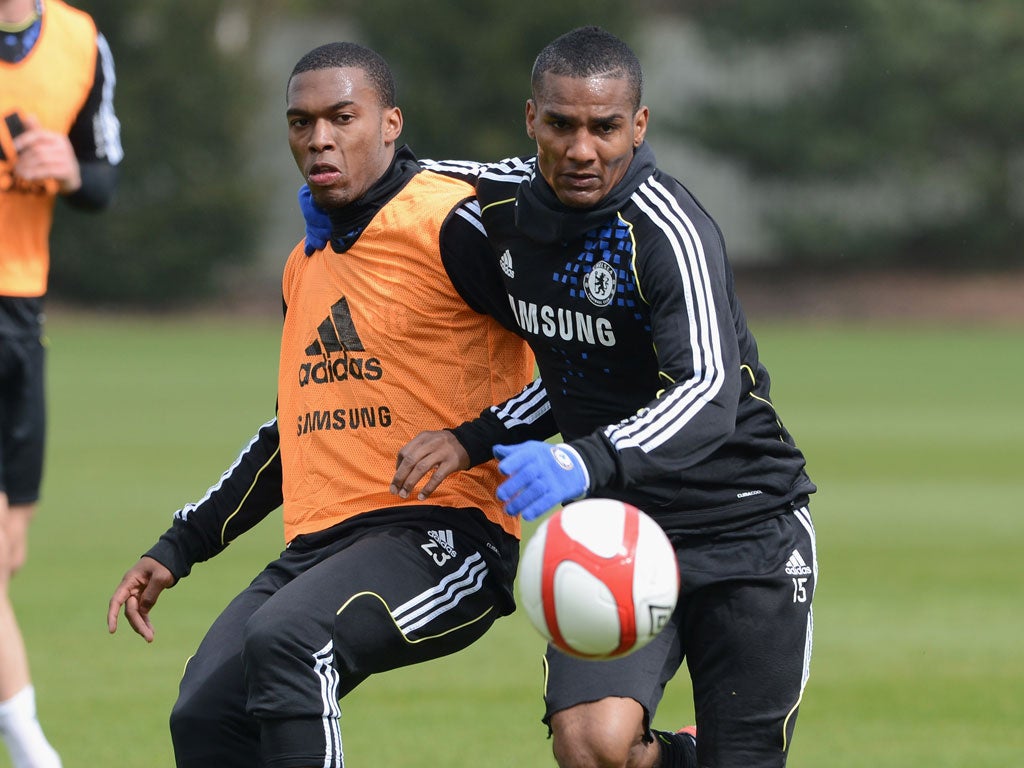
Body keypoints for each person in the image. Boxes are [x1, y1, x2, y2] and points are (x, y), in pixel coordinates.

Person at [380, 26, 818, 768]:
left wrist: (580, 463)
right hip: (617, 525)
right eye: (562, 124)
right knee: (590, 745)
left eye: (605, 127)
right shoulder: (508, 201)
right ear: (532, 119)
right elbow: (412, 173)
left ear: (638, 126)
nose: (582, 149)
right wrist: (345, 202)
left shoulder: (667, 230)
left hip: (745, 523)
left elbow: (709, 391)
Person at [106, 42, 537, 768]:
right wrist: (178, 547)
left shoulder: (450, 223)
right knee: (207, 714)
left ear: (391, 122)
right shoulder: (304, 265)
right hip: (320, 547)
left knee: (291, 641)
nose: (319, 139)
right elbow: (291, 433)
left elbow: (574, 358)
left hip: (449, 537)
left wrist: (474, 437)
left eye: (343, 117)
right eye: (301, 123)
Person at [1, 1, 122, 765]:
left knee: (6, 554)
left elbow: (104, 177)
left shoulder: (82, 42)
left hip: (20, 317)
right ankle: (35, 748)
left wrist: (74, 172)